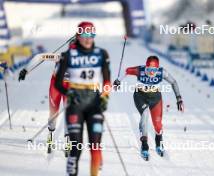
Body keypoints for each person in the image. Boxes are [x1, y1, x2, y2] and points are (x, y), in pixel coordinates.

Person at [55, 21, 111, 176]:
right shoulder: (68, 56)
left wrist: (105, 96)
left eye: (91, 35)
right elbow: (58, 83)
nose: (88, 39)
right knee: (76, 147)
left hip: (93, 103)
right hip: (75, 104)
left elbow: (107, 80)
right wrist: (68, 93)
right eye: (85, 35)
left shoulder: (101, 53)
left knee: (96, 146)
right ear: (78, 36)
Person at [113, 56, 184, 160]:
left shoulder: (162, 72)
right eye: (149, 69)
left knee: (158, 124)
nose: (151, 72)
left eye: (154, 70)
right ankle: (144, 144)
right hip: (140, 96)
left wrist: (179, 98)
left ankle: (159, 141)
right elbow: (127, 71)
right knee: (145, 114)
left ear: (157, 68)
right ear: (146, 67)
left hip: (155, 98)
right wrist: (118, 81)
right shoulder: (139, 70)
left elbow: (173, 82)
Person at [18, 44, 72, 155]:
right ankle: (51, 135)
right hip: (56, 85)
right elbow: (40, 57)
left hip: (71, 86)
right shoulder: (59, 56)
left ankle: (68, 140)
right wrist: (26, 70)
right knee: (53, 112)